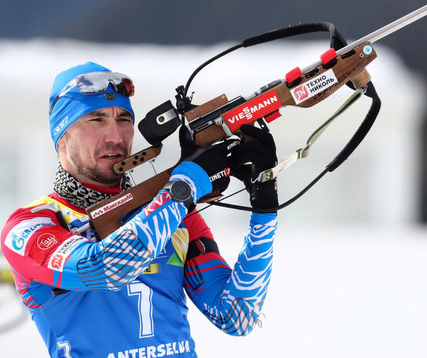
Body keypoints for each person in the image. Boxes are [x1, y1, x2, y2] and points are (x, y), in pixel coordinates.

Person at [1, 61, 279, 358]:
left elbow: (236, 316)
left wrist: (264, 207)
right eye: (96, 119)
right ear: (62, 136)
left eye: (124, 119)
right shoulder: (30, 225)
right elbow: (107, 267)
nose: (115, 137)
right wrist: (185, 185)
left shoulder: (171, 210)